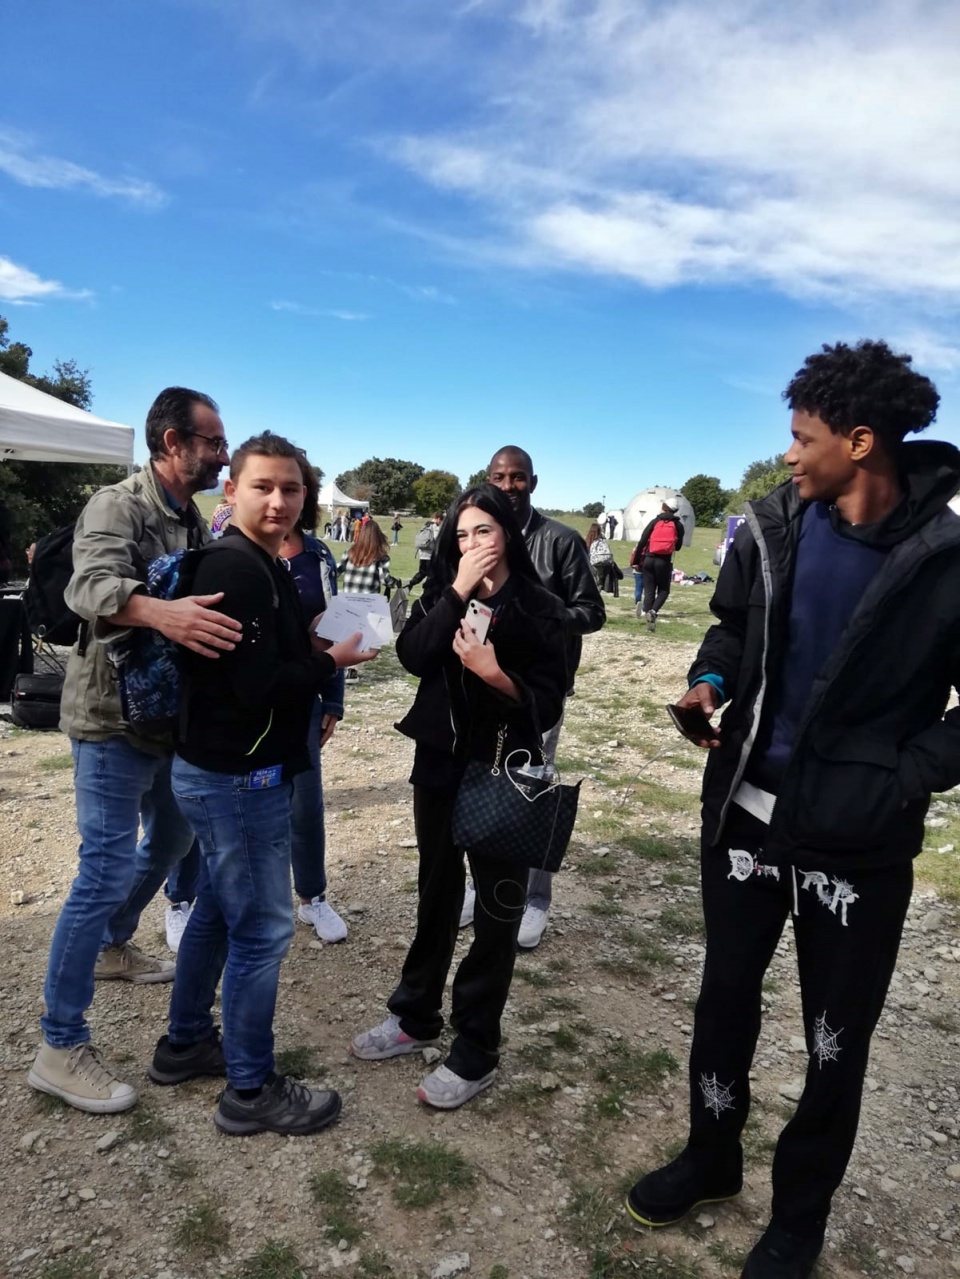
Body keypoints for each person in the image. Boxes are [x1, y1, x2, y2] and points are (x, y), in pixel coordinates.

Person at [625, 340, 959, 1279]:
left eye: (803, 437)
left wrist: (903, 774)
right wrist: (708, 681)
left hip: (858, 841)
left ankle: (799, 1217)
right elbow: (732, 627)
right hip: (745, 815)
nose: (787, 454)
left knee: (834, 1039)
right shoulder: (775, 524)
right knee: (724, 997)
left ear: (860, 442)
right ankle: (711, 1156)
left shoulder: (947, 557)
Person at [149, 431, 376, 1136]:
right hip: (238, 778)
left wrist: (308, 645)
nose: (279, 501)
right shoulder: (238, 567)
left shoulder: (262, 562)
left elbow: (249, 664)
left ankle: (185, 1042)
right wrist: (329, 662)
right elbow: (254, 688)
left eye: (292, 488)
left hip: (220, 770)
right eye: (263, 486)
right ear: (232, 491)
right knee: (262, 929)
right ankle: (250, 1089)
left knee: (219, 908)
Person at [27, 387, 241, 1114]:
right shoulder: (117, 505)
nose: (222, 455)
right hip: (108, 721)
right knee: (105, 867)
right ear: (173, 442)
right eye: (213, 442)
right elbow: (89, 587)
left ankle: (113, 945)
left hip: (164, 722)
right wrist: (162, 613)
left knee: (175, 838)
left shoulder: (189, 518)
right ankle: (59, 1045)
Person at [351, 484, 568, 1108]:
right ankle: (415, 1016)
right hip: (440, 766)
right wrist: (455, 592)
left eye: (485, 531)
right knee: (437, 892)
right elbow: (414, 657)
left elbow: (549, 699)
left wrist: (496, 675)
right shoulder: (441, 592)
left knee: (497, 913)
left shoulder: (541, 608)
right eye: (463, 534)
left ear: (508, 535)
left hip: (503, 771)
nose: (473, 544)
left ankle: (477, 1047)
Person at [459, 447, 604, 950]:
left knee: (531, 785)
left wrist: (541, 615)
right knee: (482, 785)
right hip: (480, 688)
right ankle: (481, 884)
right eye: (499, 477)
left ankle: (535, 898)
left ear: (533, 482)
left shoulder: (560, 540)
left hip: (536, 693)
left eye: (518, 477)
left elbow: (592, 611)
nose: (508, 485)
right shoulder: (476, 535)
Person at [280, 454, 349, 944]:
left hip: (304, 697)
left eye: (294, 488)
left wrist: (333, 700)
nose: (280, 500)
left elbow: (335, 628)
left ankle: (312, 898)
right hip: (244, 704)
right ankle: (186, 899)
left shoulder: (318, 555)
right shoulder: (227, 550)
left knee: (305, 807)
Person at [336, 520, 393, 683]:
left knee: (347, 634)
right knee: (363, 637)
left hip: (348, 599)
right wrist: (397, 584)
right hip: (368, 601)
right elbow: (385, 579)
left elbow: (336, 570)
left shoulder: (350, 552)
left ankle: (341, 665)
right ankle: (353, 669)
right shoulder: (380, 556)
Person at [636, 497, 684, 631]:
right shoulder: (678, 525)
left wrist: (636, 560)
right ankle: (653, 612)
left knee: (649, 590)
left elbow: (642, 541)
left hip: (649, 559)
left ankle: (646, 613)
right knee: (664, 590)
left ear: (663, 507)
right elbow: (678, 547)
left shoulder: (655, 521)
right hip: (664, 561)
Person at [406, 513, 442, 591]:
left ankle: (409, 584)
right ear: (438, 519)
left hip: (422, 553)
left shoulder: (425, 525)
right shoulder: (435, 526)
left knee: (422, 572)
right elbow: (436, 538)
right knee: (431, 575)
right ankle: (426, 590)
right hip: (430, 555)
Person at [586, 521, 617, 594]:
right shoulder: (603, 540)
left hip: (593, 563)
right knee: (599, 581)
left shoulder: (589, 540)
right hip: (603, 563)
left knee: (593, 582)